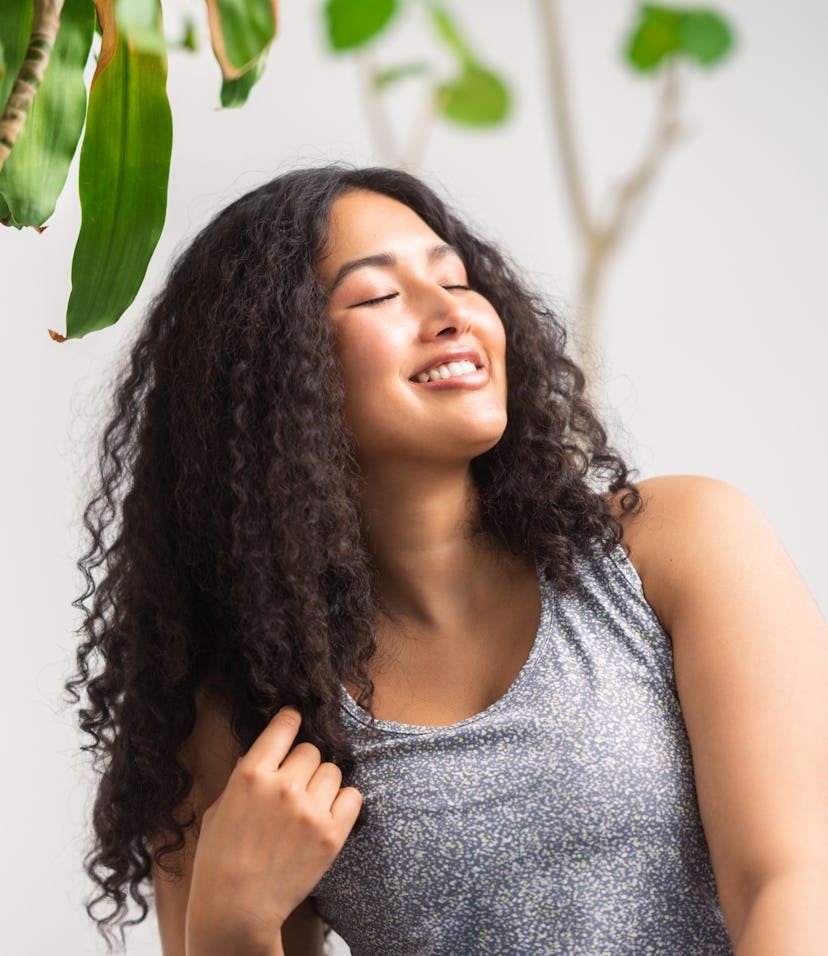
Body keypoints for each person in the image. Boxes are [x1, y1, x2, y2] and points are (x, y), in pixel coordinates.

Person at [68, 165, 828, 956]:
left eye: (456, 280)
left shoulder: (677, 544)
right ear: (267, 377)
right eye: (377, 297)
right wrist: (230, 930)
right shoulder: (239, 716)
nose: (451, 315)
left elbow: (793, 880)